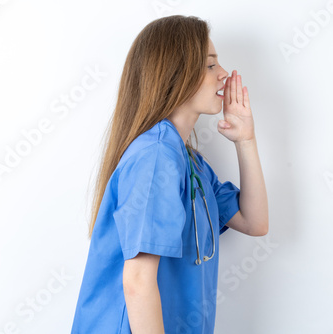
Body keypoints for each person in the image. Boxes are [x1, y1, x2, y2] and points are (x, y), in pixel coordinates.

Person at [70, 15, 269, 334]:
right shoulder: (157, 156)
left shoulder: (189, 162)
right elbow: (137, 282)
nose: (223, 75)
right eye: (209, 65)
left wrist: (246, 139)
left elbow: (254, 222)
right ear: (175, 74)